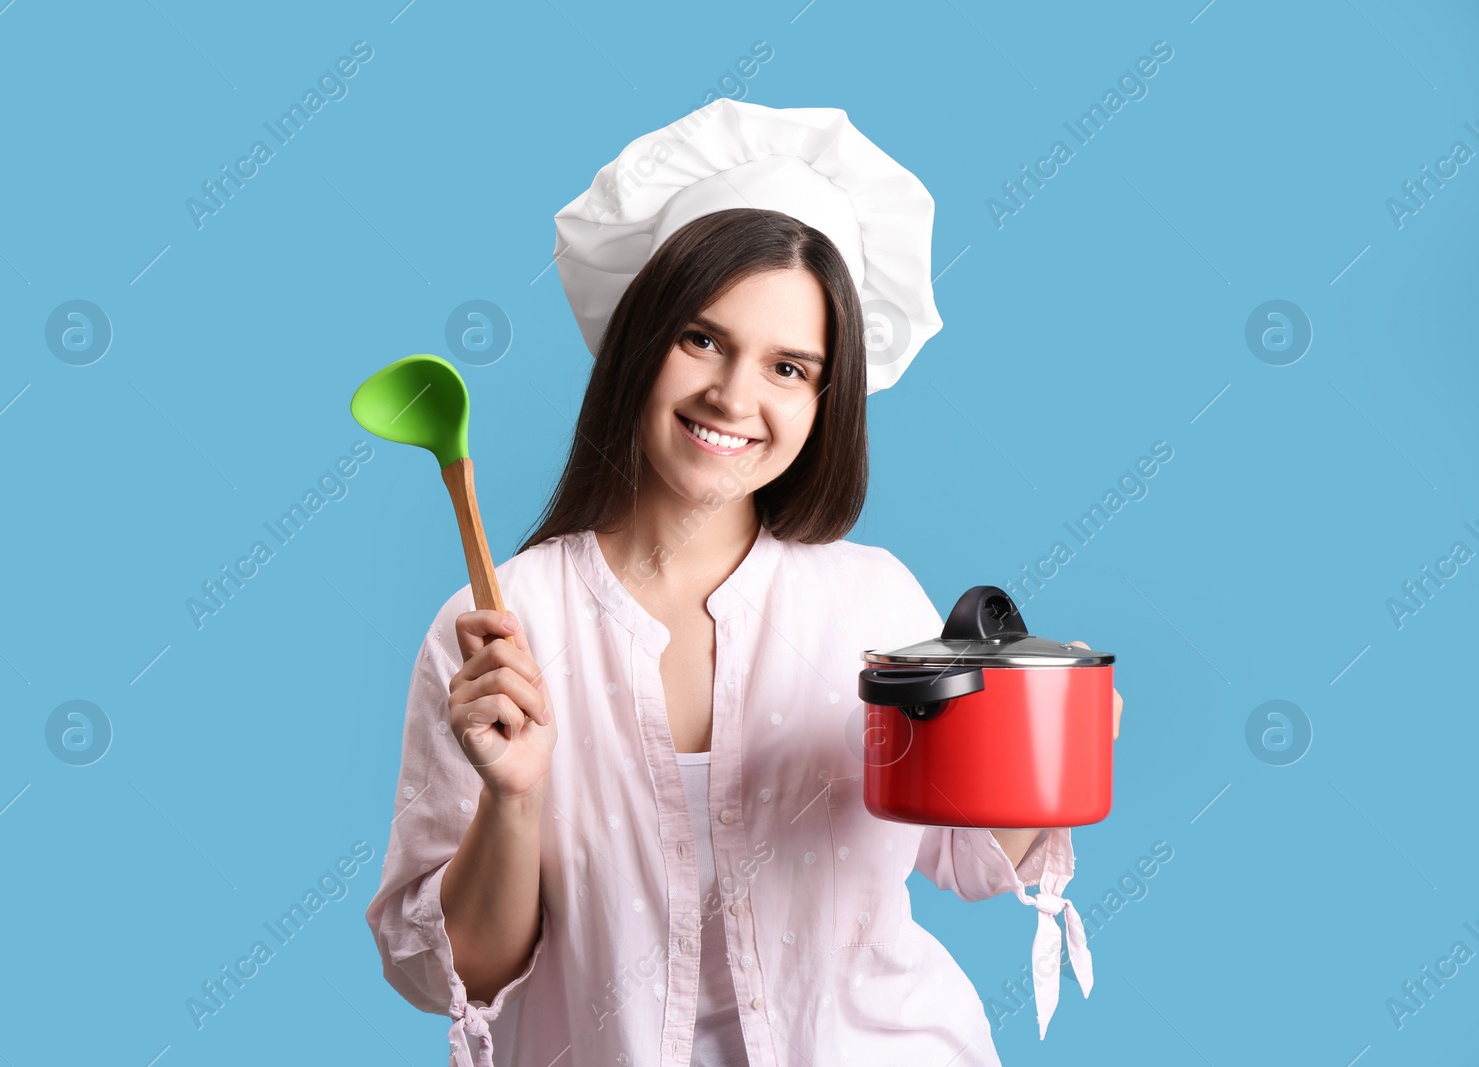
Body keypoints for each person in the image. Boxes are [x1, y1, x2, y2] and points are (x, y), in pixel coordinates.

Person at [365, 100, 1122, 1067]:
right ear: (641, 341)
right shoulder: (498, 631)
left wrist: (1049, 755)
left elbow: (966, 857)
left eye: (790, 367)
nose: (734, 397)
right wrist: (512, 798)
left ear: (825, 398)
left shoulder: (870, 602)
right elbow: (451, 977)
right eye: (702, 338)